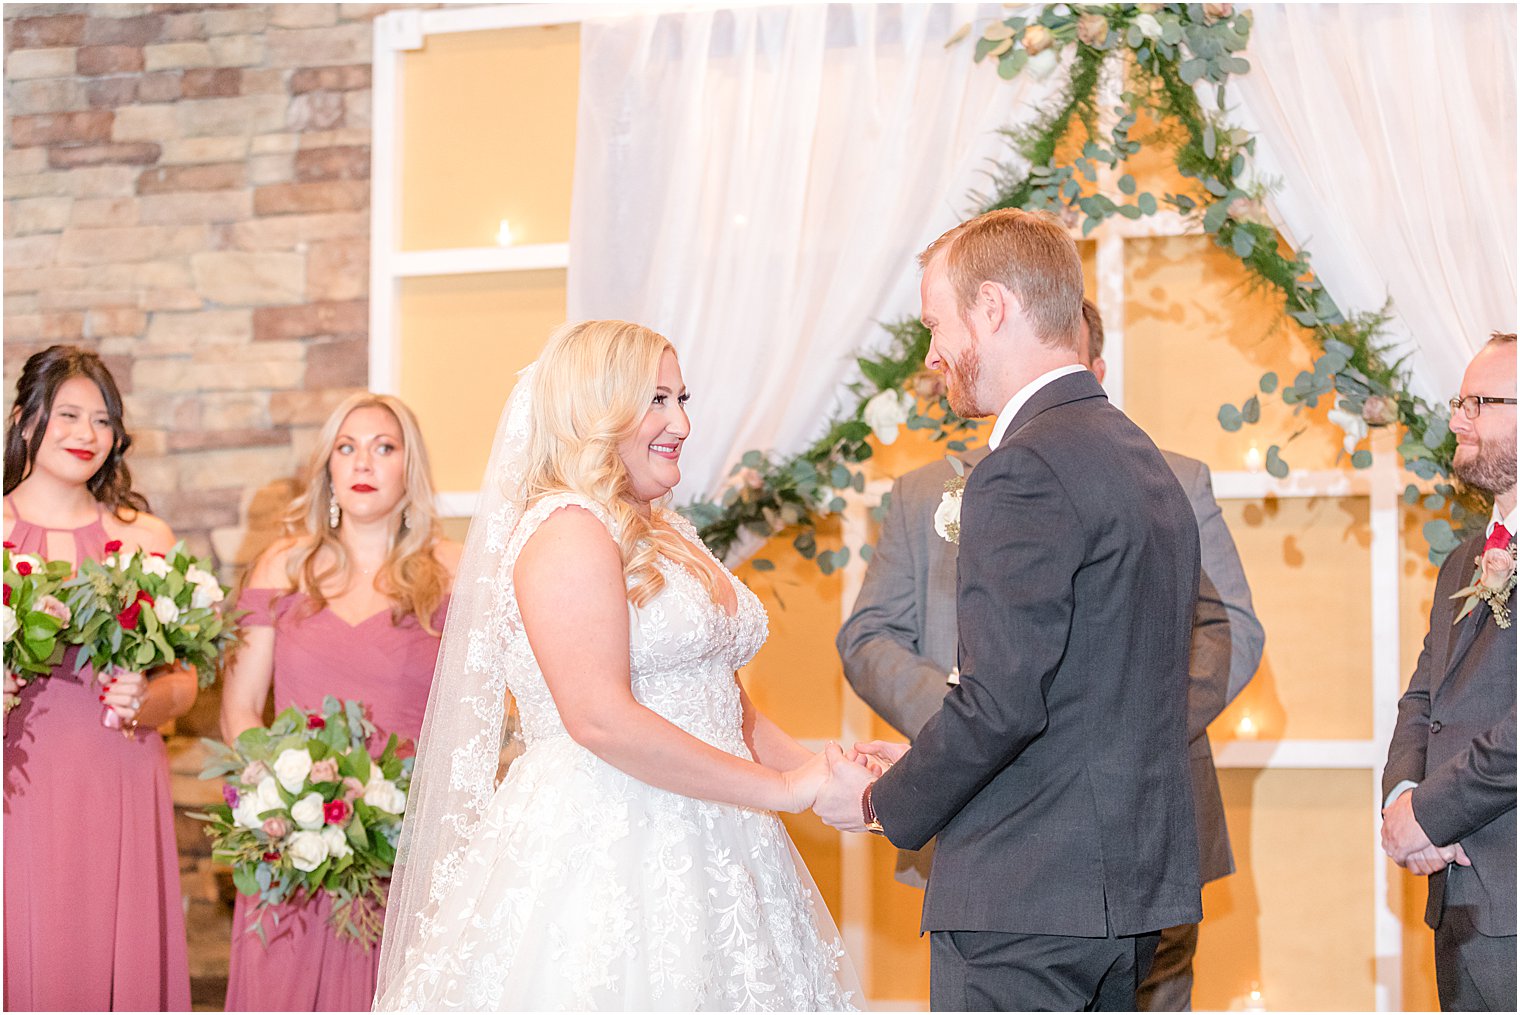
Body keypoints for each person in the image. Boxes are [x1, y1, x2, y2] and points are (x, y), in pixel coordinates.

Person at [374, 320, 859, 1010]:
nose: (682, 422)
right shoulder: (567, 529)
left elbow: (730, 710)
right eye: (656, 400)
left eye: (681, 398)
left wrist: (828, 771)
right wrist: (786, 791)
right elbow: (599, 717)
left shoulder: (663, 528)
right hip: (609, 841)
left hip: (721, 835)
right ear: (595, 410)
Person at [814, 209, 1201, 1011]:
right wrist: (923, 758)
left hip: (1027, 899)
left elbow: (1001, 702)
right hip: (1125, 892)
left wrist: (881, 800)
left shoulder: (1021, 467)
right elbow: (1088, 691)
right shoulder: (1144, 460)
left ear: (992, 309)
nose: (931, 356)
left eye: (936, 324)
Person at [220, 393, 461, 1011]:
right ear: (327, 466)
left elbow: (480, 711)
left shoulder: (454, 572)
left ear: (410, 469)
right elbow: (241, 706)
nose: (364, 463)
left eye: (385, 448)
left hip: (405, 846)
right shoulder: (283, 566)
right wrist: (280, 797)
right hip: (295, 842)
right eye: (347, 448)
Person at [3, 345, 197, 1010]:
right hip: (18, 785)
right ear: (28, 419)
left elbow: (186, 684)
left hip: (120, 771)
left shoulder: (147, 538)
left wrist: (148, 697)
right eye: (69, 414)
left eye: (103, 419)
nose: (87, 434)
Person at [1381, 333, 1516, 1012]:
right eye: (1460, 402)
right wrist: (1402, 795)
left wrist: (1431, 814)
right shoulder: (1464, 560)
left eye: (1479, 403)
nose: (1457, 420)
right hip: (1457, 896)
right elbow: (1424, 696)